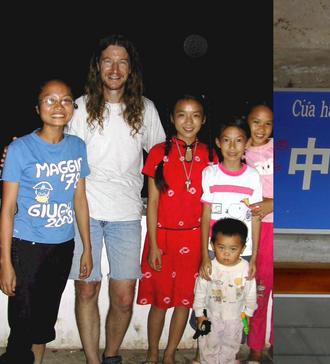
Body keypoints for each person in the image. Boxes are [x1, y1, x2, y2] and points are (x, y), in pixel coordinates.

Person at [66, 34, 165, 364]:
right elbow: (59, 154)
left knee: (123, 297)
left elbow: (162, 159)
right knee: (87, 289)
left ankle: (111, 355)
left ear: (131, 69)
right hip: (85, 210)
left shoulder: (145, 109)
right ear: (97, 65)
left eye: (122, 61)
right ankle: (93, 359)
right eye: (108, 60)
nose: (115, 68)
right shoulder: (79, 108)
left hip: (126, 213)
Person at [0, 80, 93, 364]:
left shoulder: (77, 147)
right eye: (50, 100)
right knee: (22, 320)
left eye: (66, 100)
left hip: (62, 246)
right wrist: (5, 261)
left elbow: (80, 199)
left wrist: (86, 248)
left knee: (44, 318)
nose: (58, 106)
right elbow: (7, 208)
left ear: (72, 109)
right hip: (26, 246)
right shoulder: (20, 149)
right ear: (37, 107)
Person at [136, 95, 216, 364]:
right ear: (172, 119)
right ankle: (152, 353)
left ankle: (170, 353)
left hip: (194, 239)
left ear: (203, 120)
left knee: (183, 301)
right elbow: (153, 203)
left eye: (195, 115)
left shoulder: (212, 154)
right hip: (163, 237)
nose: (188, 121)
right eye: (182, 114)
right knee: (159, 302)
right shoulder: (159, 152)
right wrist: (154, 244)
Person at [199, 118, 262, 281]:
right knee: (210, 298)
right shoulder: (210, 174)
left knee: (237, 299)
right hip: (214, 250)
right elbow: (205, 216)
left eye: (238, 141)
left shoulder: (253, 176)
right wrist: (205, 254)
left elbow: (256, 216)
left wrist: (254, 256)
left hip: (243, 251)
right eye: (227, 140)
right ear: (218, 143)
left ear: (247, 143)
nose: (232, 147)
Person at [193, 218, 257, 364]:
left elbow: (251, 293)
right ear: (212, 245)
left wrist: (248, 313)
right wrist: (199, 315)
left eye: (233, 249)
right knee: (208, 347)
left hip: (235, 319)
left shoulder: (246, 268)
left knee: (230, 348)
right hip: (211, 317)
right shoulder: (209, 267)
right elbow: (200, 293)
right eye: (221, 247)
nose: (226, 253)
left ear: (242, 248)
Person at [243, 104, 274, 361]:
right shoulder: (239, 150)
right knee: (259, 289)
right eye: (256, 122)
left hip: (280, 225)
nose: (261, 128)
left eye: (267, 123)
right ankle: (256, 347)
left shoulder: (281, 148)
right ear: (247, 122)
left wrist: (272, 203)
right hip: (255, 229)